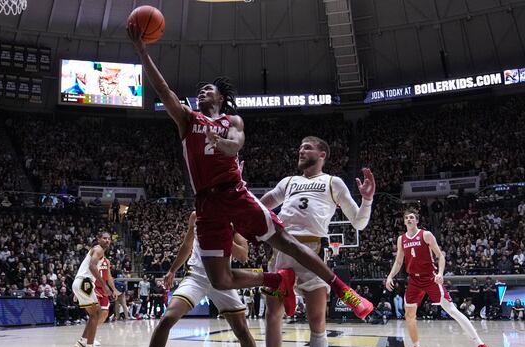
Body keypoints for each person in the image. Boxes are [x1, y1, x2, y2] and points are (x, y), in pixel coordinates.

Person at [127, 23, 373, 321]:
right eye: (200, 90)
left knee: (288, 242)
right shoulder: (187, 119)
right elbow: (163, 90)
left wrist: (220, 143)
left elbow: (235, 146)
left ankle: (344, 289)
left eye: (209, 89)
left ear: (220, 98)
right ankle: (277, 280)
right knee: (220, 279)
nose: (202, 91)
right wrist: (142, 52)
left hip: (234, 192)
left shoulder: (232, 121)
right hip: (206, 204)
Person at [256, 136, 375, 347]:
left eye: (307, 147)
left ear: (322, 154)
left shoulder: (333, 182)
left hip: (313, 253)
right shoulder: (288, 182)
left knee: (317, 321)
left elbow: (358, 223)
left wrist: (367, 200)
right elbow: (261, 206)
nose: (301, 150)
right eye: (299, 147)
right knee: (272, 315)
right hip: (281, 251)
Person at [123, 212, 262, 347]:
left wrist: (224, 235)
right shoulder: (196, 216)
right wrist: (172, 270)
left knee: (241, 330)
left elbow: (243, 255)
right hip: (197, 275)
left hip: (222, 277)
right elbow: (187, 245)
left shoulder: (233, 218)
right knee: (167, 319)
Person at [386, 208, 494, 347]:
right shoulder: (401, 239)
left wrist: (440, 274)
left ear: (417, 220)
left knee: (452, 310)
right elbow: (398, 262)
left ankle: (481, 345)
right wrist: (390, 276)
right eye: (406, 218)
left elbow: (440, 257)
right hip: (414, 281)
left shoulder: (426, 235)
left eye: (411, 217)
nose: (409, 219)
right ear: (404, 222)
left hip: (430, 278)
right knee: (409, 315)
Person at [72, 232, 113, 347]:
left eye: (108, 239)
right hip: (85, 282)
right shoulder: (98, 249)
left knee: (93, 314)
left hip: (80, 283)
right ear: (98, 239)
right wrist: (105, 285)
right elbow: (92, 266)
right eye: (104, 238)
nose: (107, 240)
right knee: (97, 314)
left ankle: (83, 341)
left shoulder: (99, 251)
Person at [77, 256, 118, 347]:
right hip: (92, 287)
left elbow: (109, 277)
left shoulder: (106, 261)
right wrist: (77, 292)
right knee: (95, 313)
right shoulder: (91, 260)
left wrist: (114, 289)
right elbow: (82, 275)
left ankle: (89, 336)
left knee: (104, 314)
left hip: (103, 289)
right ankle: (87, 340)